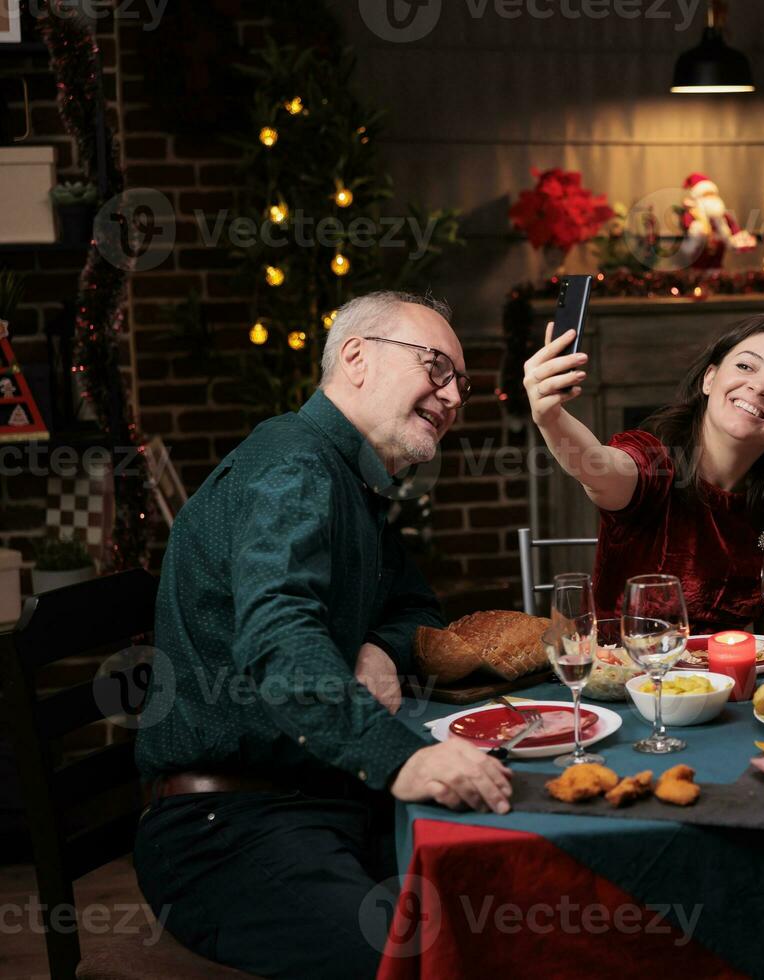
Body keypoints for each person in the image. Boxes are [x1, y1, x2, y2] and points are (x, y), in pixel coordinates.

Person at [134, 292, 515, 979]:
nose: (453, 395)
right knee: (437, 958)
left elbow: (415, 608)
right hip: (226, 835)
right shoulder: (296, 466)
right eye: (436, 366)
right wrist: (405, 759)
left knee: (505, 898)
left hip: (318, 803)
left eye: (460, 381)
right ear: (357, 358)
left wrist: (378, 646)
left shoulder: (350, 478)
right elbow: (279, 642)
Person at [526, 314, 764, 634]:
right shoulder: (656, 463)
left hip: (729, 682)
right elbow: (595, 464)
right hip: (631, 678)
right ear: (709, 379)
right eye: (746, 366)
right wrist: (550, 417)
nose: (760, 386)